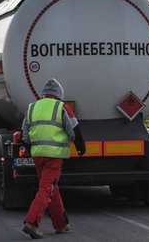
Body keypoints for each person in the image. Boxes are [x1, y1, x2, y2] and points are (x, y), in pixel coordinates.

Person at [21, 78, 86, 239]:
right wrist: (80, 147)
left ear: (44, 95)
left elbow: (24, 135)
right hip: (54, 156)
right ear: (59, 95)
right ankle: (32, 222)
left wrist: (33, 149)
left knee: (51, 187)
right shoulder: (62, 107)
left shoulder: (32, 108)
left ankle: (61, 224)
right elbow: (74, 130)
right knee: (46, 188)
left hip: (38, 155)